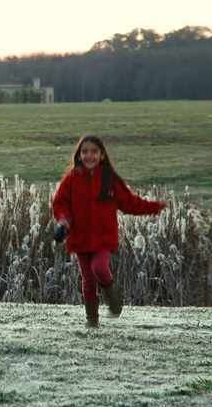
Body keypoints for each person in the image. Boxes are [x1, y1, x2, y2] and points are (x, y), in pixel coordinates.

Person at [52, 135, 166, 328]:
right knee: (87, 280)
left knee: (99, 268)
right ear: (79, 155)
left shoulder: (109, 179)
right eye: (85, 152)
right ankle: (92, 320)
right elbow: (60, 203)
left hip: (103, 237)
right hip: (79, 237)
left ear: (102, 155)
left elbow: (130, 203)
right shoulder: (71, 180)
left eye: (94, 152)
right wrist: (64, 220)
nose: (89, 156)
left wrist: (154, 206)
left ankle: (112, 297)